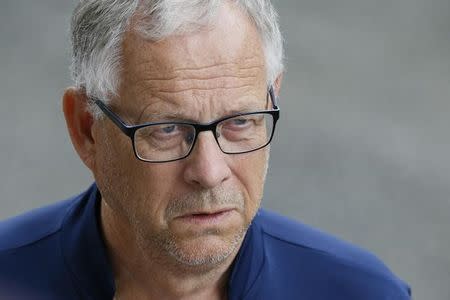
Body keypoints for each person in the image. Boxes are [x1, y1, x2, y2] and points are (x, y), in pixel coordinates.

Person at [0, 0, 411, 299]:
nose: (210, 171)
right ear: (87, 129)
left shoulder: (366, 293)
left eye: (239, 122)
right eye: (166, 128)